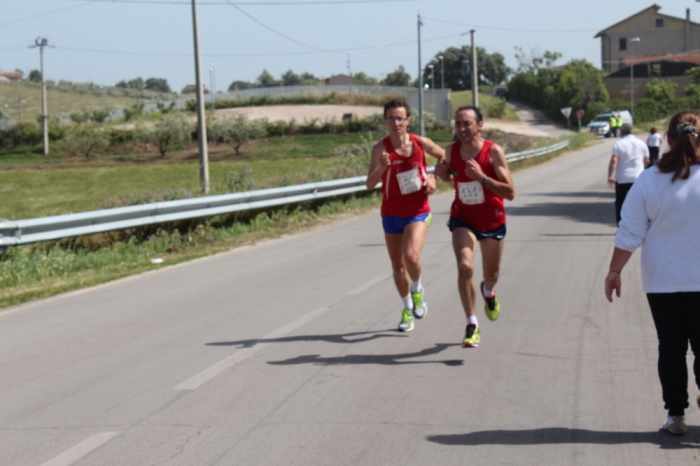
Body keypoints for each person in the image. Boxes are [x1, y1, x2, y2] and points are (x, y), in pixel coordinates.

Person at [604, 110, 700, 436]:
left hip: (663, 282)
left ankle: (676, 416)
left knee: (671, 348)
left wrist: (614, 271)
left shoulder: (649, 179)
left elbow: (630, 231)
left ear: (666, 139)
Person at [434, 106, 515, 348]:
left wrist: (483, 179)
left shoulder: (493, 152)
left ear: (479, 125)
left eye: (467, 123)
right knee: (464, 265)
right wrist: (443, 175)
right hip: (463, 217)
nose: (461, 129)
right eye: (458, 123)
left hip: (492, 220)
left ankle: (488, 292)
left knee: (491, 275)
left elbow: (510, 192)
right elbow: (453, 177)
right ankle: (472, 323)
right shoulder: (451, 151)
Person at [366, 100, 445, 332]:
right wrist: (381, 168)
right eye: (391, 118)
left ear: (408, 121)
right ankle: (407, 307)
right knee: (398, 267)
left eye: (400, 118)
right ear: (385, 121)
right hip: (391, 213)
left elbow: (444, 157)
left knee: (411, 257)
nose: (395, 122)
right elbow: (369, 184)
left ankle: (417, 288)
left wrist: (433, 178)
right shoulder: (380, 149)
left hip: (417, 210)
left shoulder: (420, 143)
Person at [607, 123, 649, 225]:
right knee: (640, 204)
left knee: (621, 203)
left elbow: (614, 160)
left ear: (621, 132)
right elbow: (646, 160)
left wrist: (610, 175)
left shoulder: (619, 144)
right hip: (638, 178)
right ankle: (641, 224)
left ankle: (621, 225)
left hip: (623, 179)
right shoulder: (641, 143)